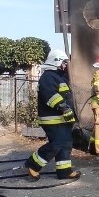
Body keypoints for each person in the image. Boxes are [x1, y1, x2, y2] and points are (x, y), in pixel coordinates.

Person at [24, 49, 80, 180]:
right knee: (57, 143)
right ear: (57, 62)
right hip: (52, 119)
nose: (66, 66)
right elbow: (49, 94)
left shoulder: (59, 77)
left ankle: (64, 171)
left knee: (65, 144)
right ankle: (33, 165)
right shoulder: (48, 77)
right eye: (64, 63)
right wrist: (62, 106)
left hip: (62, 119)